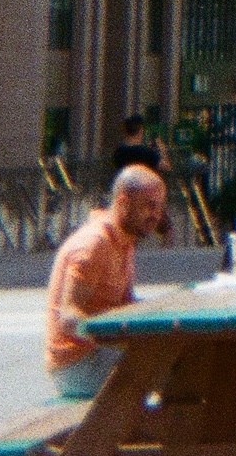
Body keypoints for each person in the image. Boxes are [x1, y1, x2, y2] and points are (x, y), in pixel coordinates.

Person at [45, 165, 166, 399]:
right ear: (123, 201)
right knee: (179, 372)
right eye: (149, 205)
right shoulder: (93, 245)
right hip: (77, 365)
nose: (156, 215)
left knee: (189, 359)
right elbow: (69, 317)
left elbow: (127, 303)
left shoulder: (125, 240)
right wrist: (115, 338)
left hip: (101, 354)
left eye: (160, 206)